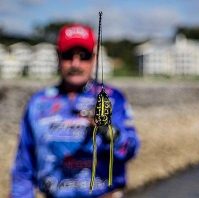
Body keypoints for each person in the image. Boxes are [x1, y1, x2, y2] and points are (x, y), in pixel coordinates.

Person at [10, 24, 140, 198]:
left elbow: (130, 149)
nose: (75, 63)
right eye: (68, 55)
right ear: (58, 57)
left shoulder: (111, 98)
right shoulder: (38, 103)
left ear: (94, 58)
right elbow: (23, 166)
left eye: (83, 56)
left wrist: (107, 130)